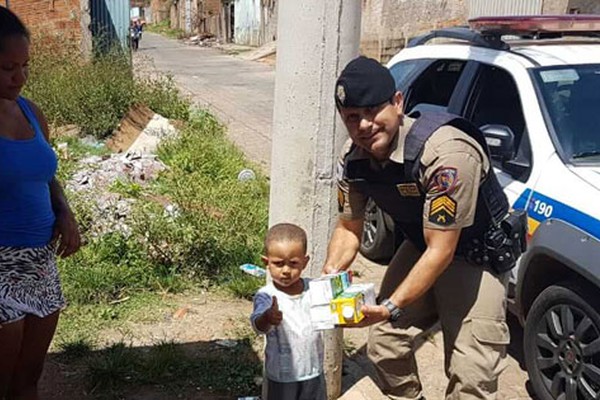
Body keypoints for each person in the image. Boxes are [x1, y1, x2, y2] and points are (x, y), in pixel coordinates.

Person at [324, 56, 525, 399]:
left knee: (472, 373)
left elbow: (442, 250)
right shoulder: (353, 159)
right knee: (384, 347)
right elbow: (348, 228)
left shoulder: (446, 153)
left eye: (373, 111)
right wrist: (333, 270)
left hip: (475, 255)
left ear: (398, 103)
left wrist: (390, 306)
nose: (364, 125)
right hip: (423, 244)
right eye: (352, 117)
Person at [0, 6, 81, 399]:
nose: (19, 77)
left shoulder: (32, 113)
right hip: (0, 262)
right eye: (6, 68)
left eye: (25, 65)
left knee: (28, 379)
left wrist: (64, 212)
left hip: (40, 262)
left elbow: (46, 173)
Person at [250, 223, 326, 400]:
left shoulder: (314, 289)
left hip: (313, 370)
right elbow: (257, 326)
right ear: (266, 262)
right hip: (282, 376)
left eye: (293, 263)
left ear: (305, 262)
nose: (286, 271)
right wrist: (267, 317)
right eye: (278, 264)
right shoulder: (266, 296)